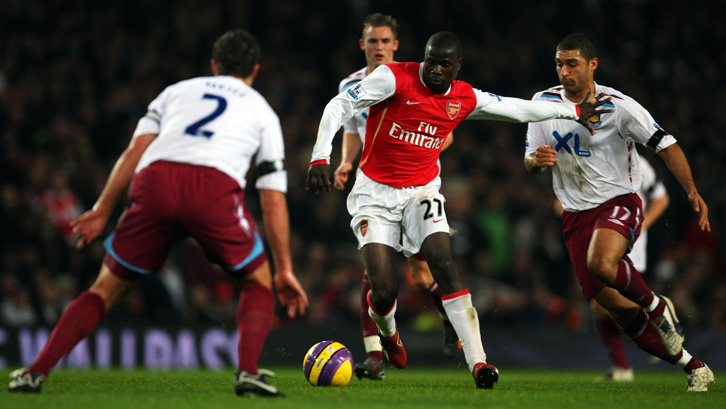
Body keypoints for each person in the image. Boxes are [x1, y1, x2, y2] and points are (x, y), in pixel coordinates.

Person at [8, 29, 308, 397]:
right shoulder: (262, 110)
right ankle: (247, 372)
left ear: (214, 66)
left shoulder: (177, 91)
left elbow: (135, 150)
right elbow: (273, 198)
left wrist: (102, 209)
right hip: (211, 190)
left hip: (155, 180)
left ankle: (36, 372)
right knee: (258, 281)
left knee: (104, 288)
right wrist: (286, 270)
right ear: (255, 71)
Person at [306, 31, 611, 389]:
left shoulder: (464, 96)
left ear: (457, 67)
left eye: (444, 64)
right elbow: (338, 105)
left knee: (444, 265)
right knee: (384, 290)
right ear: (424, 57)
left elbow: (518, 109)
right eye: (431, 60)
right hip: (374, 194)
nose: (435, 69)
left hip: (421, 191)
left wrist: (573, 111)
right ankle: (389, 335)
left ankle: (479, 363)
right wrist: (320, 155)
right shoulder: (393, 77)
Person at [524, 33, 714, 392]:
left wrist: (691, 189)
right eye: (559, 64)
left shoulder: (619, 106)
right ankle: (694, 366)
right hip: (574, 215)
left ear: (592, 64)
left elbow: (666, 144)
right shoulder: (543, 103)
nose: (564, 71)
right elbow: (530, 157)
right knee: (621, 313)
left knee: (601, 264)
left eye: (572, 64)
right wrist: (536, 161)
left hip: (618, 202)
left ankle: (659, 309)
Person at [333, 13, 458, 381]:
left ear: (396, 45)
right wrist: (344, 161)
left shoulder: (413, 79)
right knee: (374, 271)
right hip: (374, 188)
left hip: (415, 186)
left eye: (385, 41)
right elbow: (353, 128)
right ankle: (375, 354)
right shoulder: (351, 84)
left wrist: (417, 155)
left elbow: (444, 132)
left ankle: (450, 320)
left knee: (421, 272)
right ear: (363, 45)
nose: (379, 47)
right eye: (373, 41)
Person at [593, 157, 669, 382]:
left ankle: (658, 323)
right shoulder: (594, 155)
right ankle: (624, 366)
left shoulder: (636, 162)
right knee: (600, 306)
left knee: (608, 301)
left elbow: (661, 198)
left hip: (626, 237)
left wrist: (643, 225)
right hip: (603, 235)